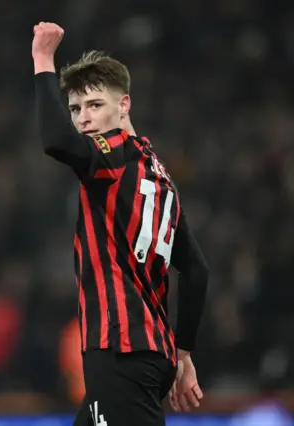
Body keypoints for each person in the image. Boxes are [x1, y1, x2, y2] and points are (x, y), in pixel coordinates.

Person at [32, 22, 210, 425]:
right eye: (75, 109)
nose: (83, 119)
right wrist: (182, 354)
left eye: (95, 105)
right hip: (147, 353)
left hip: (121, 349)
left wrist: (43, 59)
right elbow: (197, 271)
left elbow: (55, 142)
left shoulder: (110, 155)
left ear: (124, 105)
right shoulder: (160, 178)